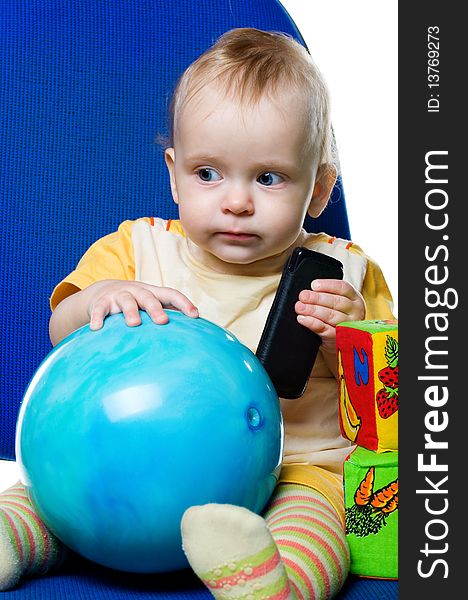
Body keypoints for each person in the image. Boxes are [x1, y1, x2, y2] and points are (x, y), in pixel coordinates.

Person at [0, 28, 394, 597]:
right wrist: (101, 300)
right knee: (46, 495)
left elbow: (395, 404)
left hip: (291, 471)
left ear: (318, 189)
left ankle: (270, 583)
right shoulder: (135, 250)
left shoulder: (344, 273)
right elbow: (62, 331)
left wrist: (351, 342)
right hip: (134, 457)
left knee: (317, 523)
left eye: (268, 177)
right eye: (208, 173)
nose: (236, 201)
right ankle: (12, 541)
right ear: (173, 173)